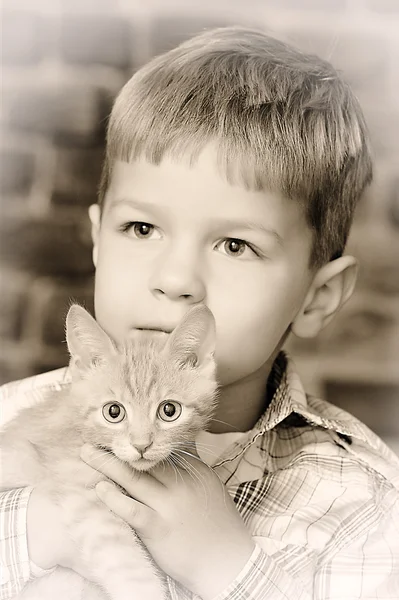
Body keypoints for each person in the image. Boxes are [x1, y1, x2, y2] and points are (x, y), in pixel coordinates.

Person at [1, 26, 398, 600]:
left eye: (235, 245)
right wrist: (38, 528)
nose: (176, 280)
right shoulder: (11, 422)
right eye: (142, 228)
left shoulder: (363, 510)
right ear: (96, 241)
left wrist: (229, 569)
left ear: (317, 297)